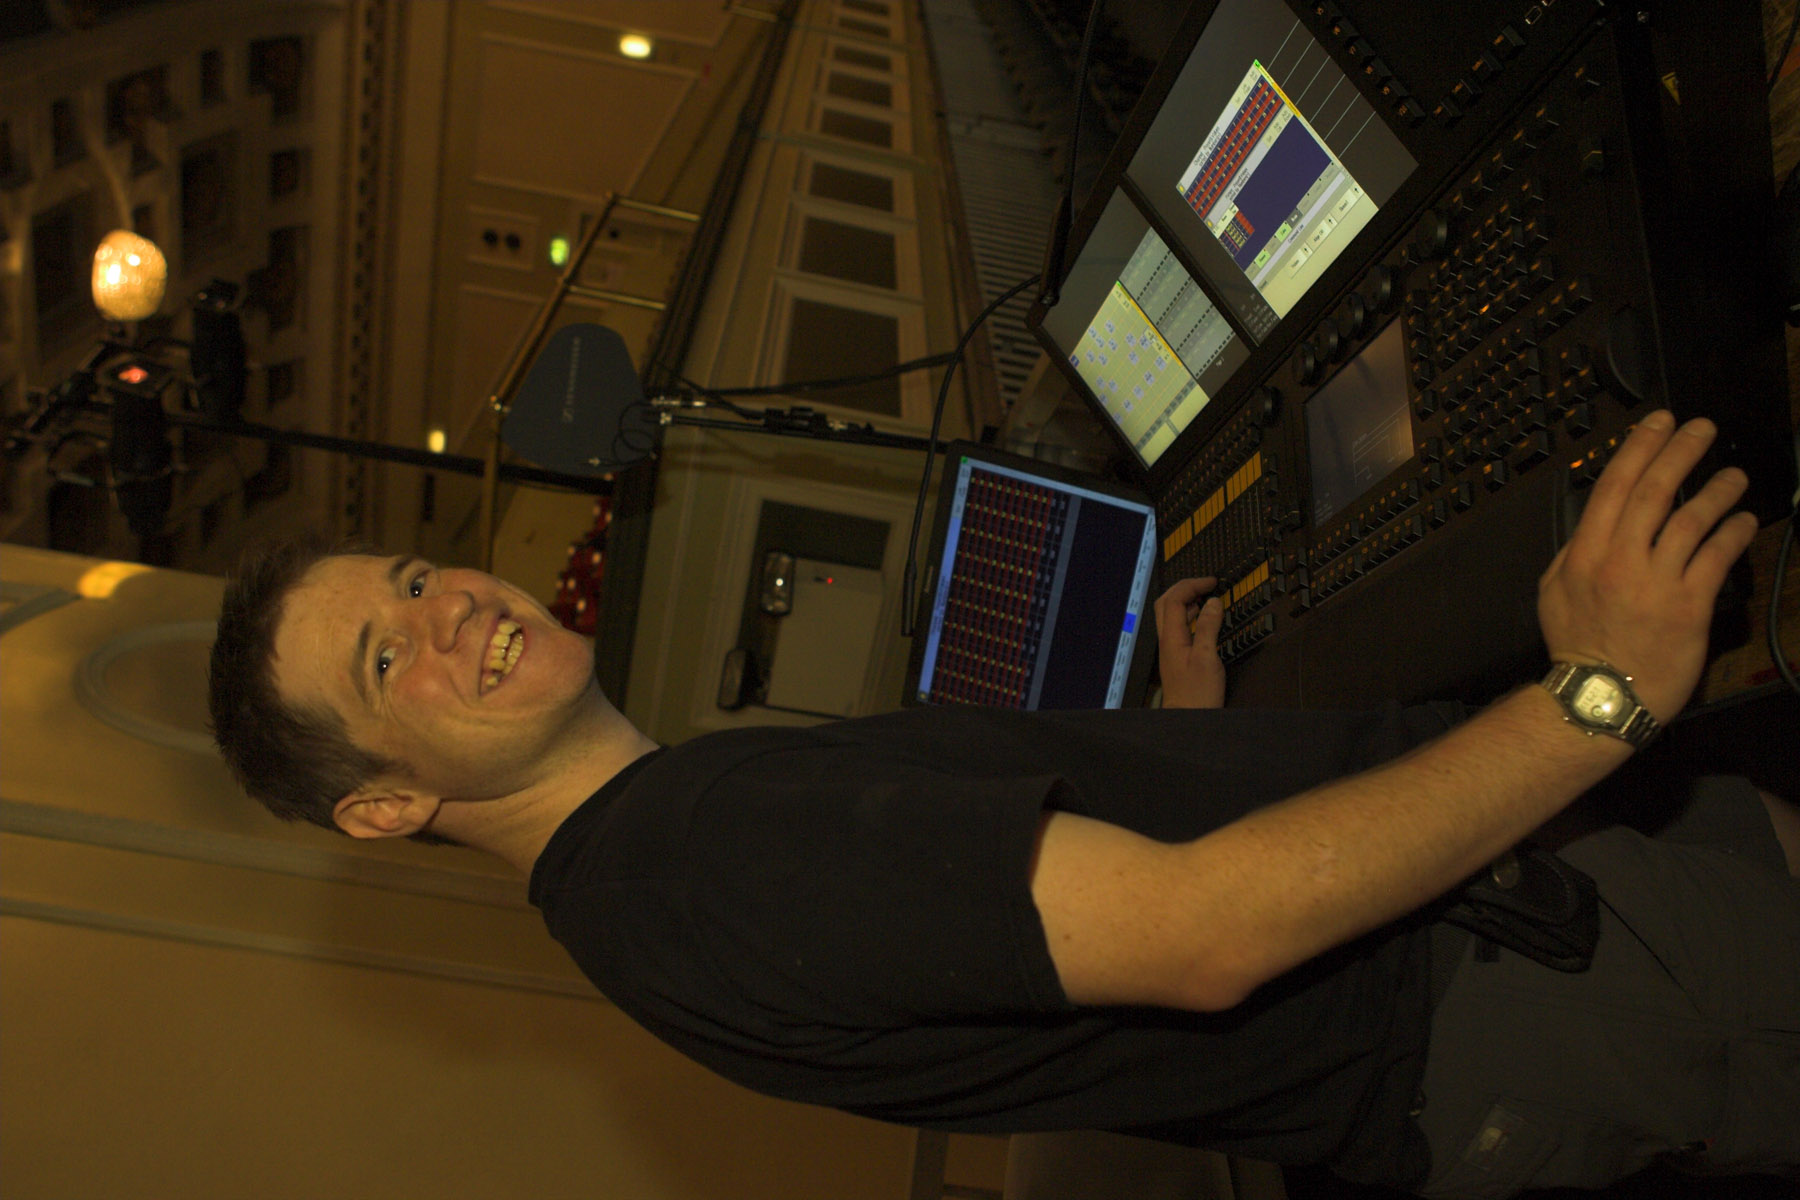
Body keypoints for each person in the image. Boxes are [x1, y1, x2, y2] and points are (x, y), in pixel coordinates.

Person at [208, 412, 1799, 1197]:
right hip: (1522, 982)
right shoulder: (710, 859)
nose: (450, 611)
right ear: (383, 805)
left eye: (411, 578)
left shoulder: (646, 878)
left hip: (1481, 994)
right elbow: (1205, 938)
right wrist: (1601, 693)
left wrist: (1183, 747)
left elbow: (1054, 946)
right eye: (386, 658)